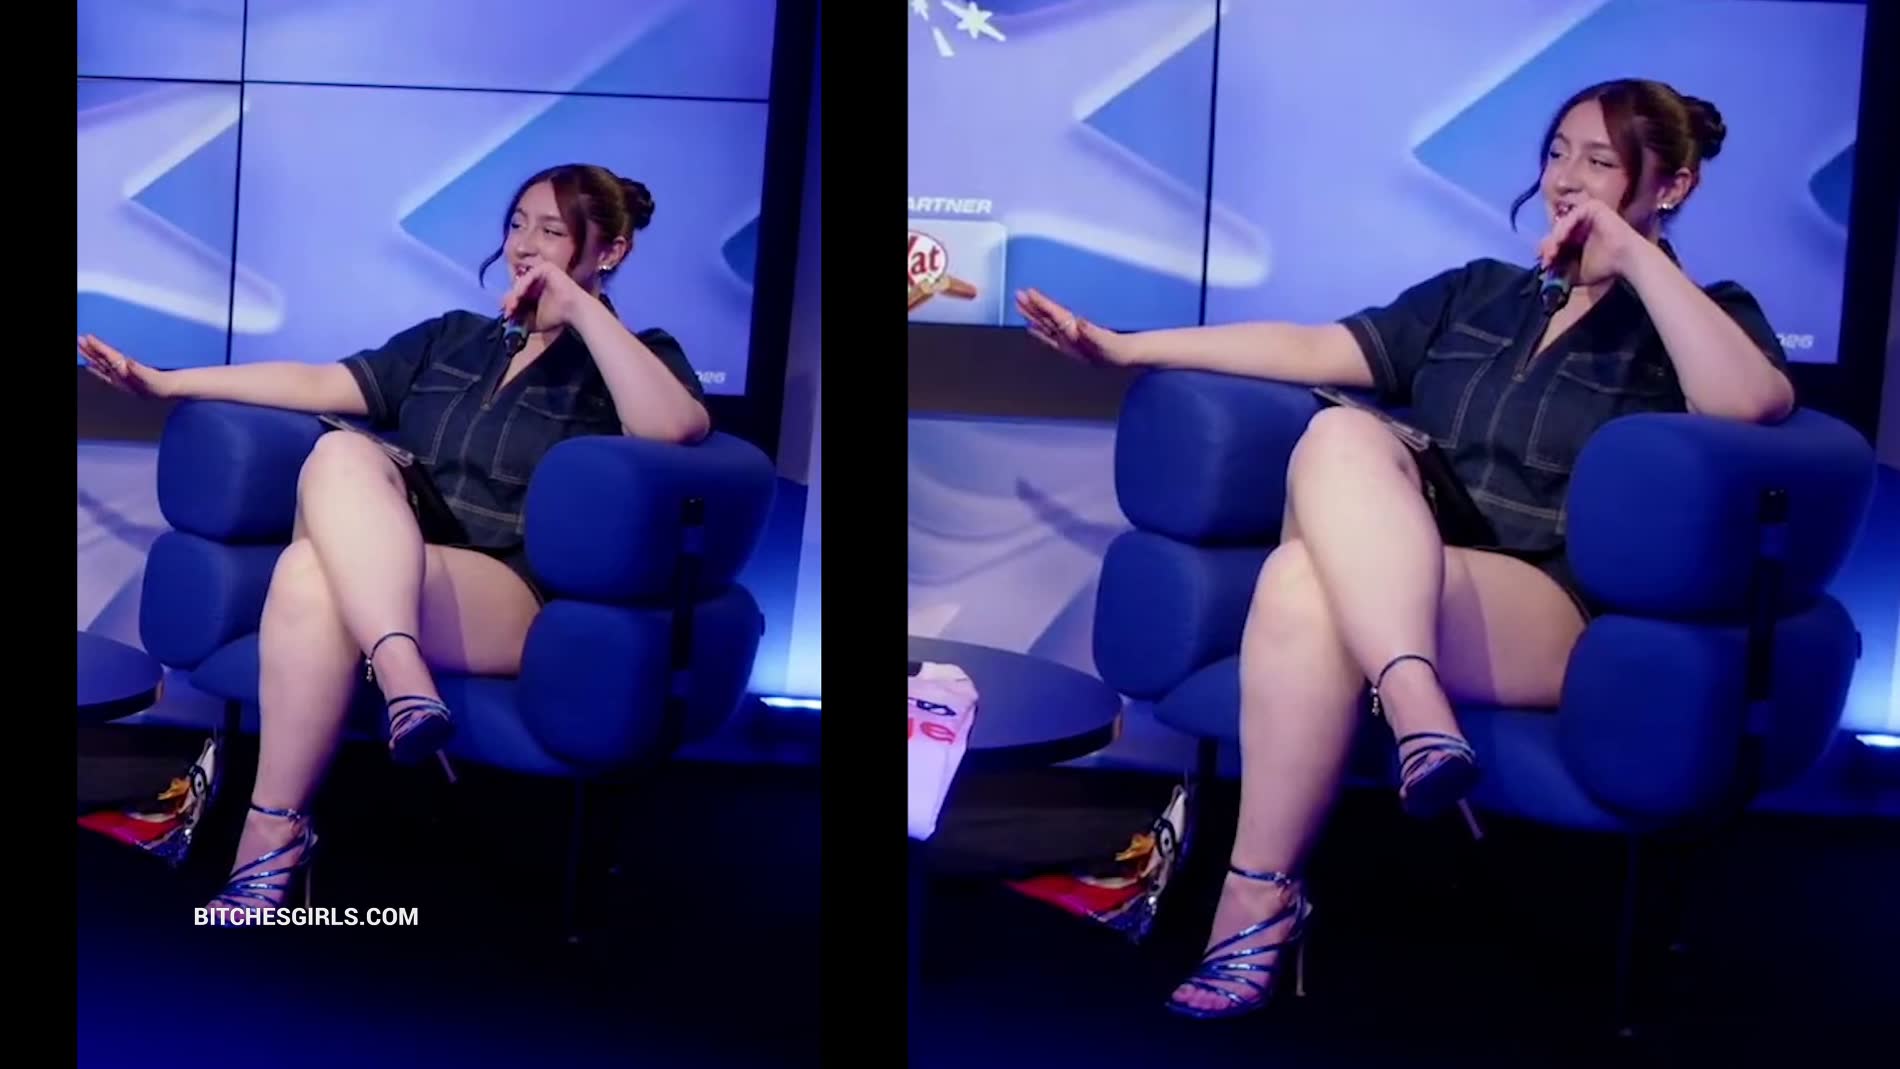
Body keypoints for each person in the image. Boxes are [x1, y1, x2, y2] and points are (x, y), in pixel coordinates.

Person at [1015, 79, 1794, 1019]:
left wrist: (1632, 254)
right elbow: (1311, 347)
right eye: (1558, 152)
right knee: (1330, 463)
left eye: (1601, 161)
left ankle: (1266, 897)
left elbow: (1750, 402)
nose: (1567, 179)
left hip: (1545, 604)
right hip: (1411, 576)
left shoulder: (1697, 314)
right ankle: (1376, 754)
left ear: (1672, 185)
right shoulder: (1481, 294)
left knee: (1309, 572)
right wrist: (1128, 348)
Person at [78, 163, 711, 918]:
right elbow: (317, 382)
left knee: (316, 566)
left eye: (552, 231)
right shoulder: (455, 340)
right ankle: (344, 747)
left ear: (610, 251)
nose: (524, 245)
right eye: (517, 224)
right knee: (333, 476)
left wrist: (578, 307)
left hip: (504, 591)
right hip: (396, 571)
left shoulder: (631, 355)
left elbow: (675, 426)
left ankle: (278, 833)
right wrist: (167, 383)